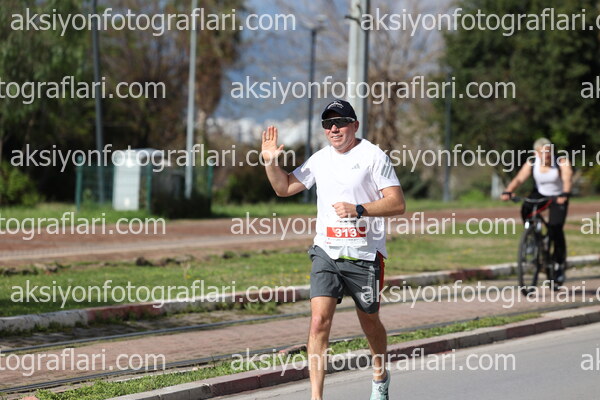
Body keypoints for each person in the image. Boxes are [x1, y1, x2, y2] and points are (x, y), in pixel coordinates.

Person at [261, 99, 405, 400]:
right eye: (328, 124)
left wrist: (359, 209)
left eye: (340, 122)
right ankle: (316, 397)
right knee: (318, 322)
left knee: (369, 321)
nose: (334, 129)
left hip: (364, 255)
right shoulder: (320, 159)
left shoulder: (373, 156)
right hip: (326, 252)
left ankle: (380, 374)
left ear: (355, 125)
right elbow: (283, 188)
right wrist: (270, 163)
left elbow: (397, 203)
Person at [501, 138, 573, 284]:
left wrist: (565, 193)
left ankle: (559, 264)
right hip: (540, 194)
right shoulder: (532, 162)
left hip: (558, 196)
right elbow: (520, 178)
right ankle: (532, 238)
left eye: (549, 152)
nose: (546, 155)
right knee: (526, 208)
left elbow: (567, 178)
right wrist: (508, 191)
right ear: (536, 153)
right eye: (543, 152)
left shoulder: (561, 161)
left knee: (555, 228)